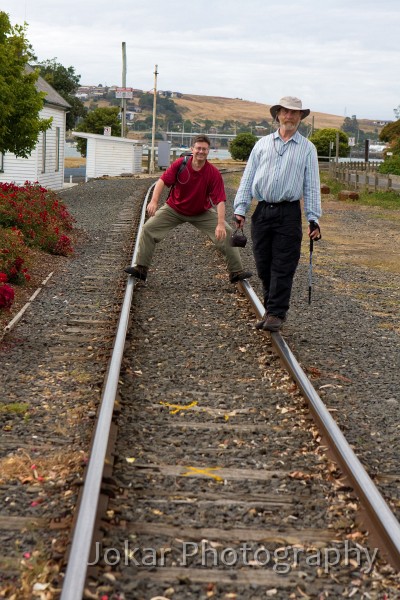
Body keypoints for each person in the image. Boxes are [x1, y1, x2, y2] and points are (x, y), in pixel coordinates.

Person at [233, 96, 322, 332]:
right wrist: (240, 208)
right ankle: (270, 308)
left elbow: (311, 185)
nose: (290, 116)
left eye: (295, 113)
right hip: (262, 211)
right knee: (263, 265)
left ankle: (276, 314)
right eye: (286, 112)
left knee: (283, 265)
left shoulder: (307, 149)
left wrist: (313, 218)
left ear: (301, 117)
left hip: (289, 213)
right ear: (278, 115)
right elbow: (248, 177)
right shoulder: (261, 144)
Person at [125, 135, 252, 284]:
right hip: (174, 208)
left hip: (201, 212)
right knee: (147, 228)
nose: (201, 151)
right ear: (192, 149)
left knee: (227, 231)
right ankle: (141, 269)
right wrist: (154, 201)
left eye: (204, 149)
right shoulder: (181, 164)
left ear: (208, 151)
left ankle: (236, 272)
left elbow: (220, 201)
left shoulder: (213, 173)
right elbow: (162, 181)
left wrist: (220, 223)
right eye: (198, 148)